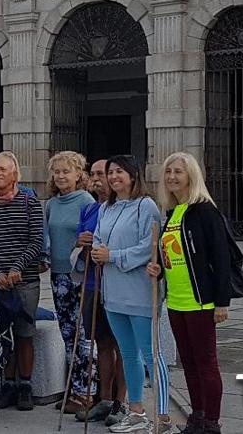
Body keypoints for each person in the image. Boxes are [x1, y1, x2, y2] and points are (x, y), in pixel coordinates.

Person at [147, 152, 231, 434]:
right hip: (177, 301)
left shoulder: (205, 211)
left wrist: (222, 302)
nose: (172, 176)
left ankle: (211, 423)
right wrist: (159, 270)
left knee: (206, 363)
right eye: (168, 171)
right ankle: (197, 416)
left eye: (178, 172)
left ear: (191, 176)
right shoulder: (173, 213)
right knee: (190, 363)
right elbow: (172, 256)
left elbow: (221, 258)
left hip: (201, 300)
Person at [90, 155, 171, 433]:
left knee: (151, 354)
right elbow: (99, 238)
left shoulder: (145, 206)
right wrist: (98, 252)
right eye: (110, 173)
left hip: (138, 292)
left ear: (133, 176)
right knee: (127, 352)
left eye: (119, 172)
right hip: (112, 293)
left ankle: (162, 415)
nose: (113, 177)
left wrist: (113, 255)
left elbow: (147, 246)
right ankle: (136, 410)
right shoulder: (105, 208)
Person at [0, 151, 44, 411]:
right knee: (1, 336)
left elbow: (36, 240)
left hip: (24, 281)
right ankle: (8, 384)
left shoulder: (30, 203)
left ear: (15, 174)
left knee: (25, 335)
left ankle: (25, 385)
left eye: (4, 169)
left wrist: (16, 269)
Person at [41, 151, 96, 415]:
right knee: (67, 333)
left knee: (83, 335)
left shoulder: (86, 201)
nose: (61, 176)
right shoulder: (51, 204)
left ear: (78, 174)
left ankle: (88, 392)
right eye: (57, 172)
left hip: (79, 275)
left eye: (66, 171)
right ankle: (73, 389)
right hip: (57, 275)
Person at [74, 159, 128, 426]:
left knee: (122, 345)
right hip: (92, 284)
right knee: (101, 343)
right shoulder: (89, 208)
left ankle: (122, 402)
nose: (96, 179)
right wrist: (81, 240)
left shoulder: (124, 209)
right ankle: (104, 399)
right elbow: (80, 243)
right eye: (93, 174)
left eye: (101, 174)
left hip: (116, 285)